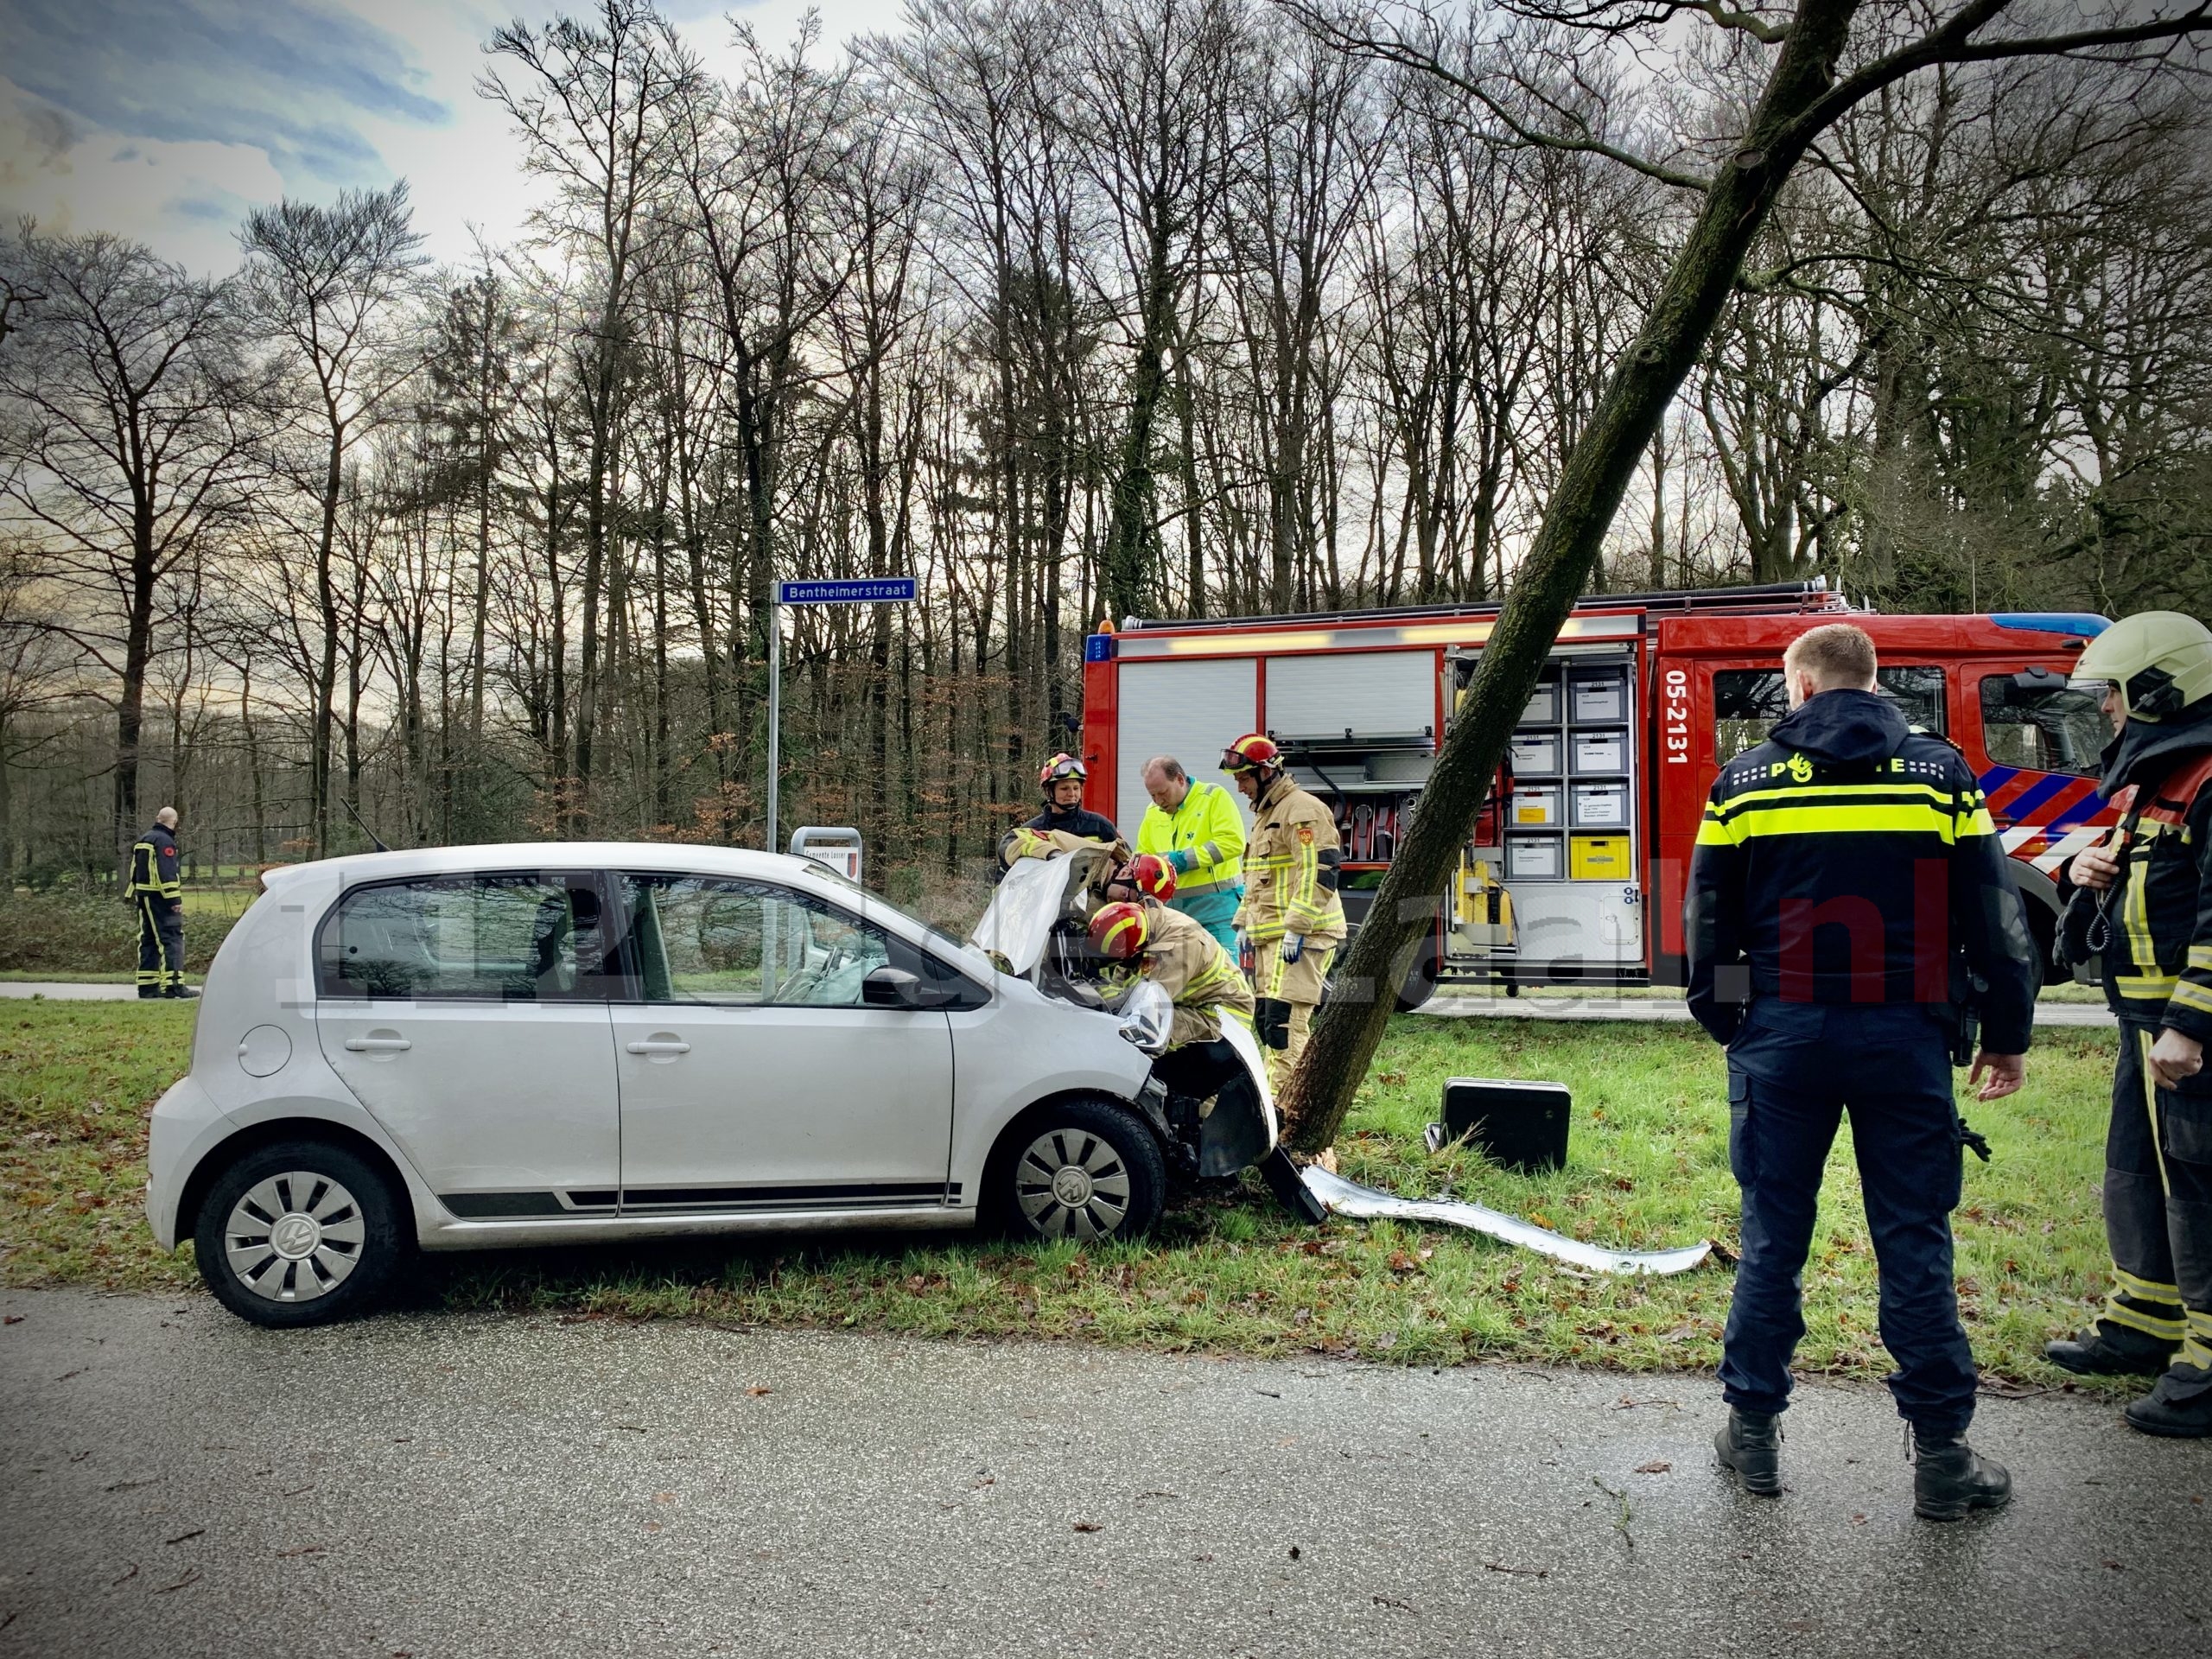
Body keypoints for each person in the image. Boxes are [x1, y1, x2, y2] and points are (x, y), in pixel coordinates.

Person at [1685, 622, 2037, 1520]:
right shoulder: (1944, 777)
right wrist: (2005, 1031)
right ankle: (1944, 1461)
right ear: (1875, 683)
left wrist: (1730, 1015)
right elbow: (1993, 913)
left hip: (1785, 1039)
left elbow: (1711, 922)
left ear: (1798, 688)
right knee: (1913, 1238)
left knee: (1773, 1236)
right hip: (1905, 1037)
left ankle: (1753, 1437)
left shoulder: (1746, 781)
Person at [2043, 611, 2212, 1439]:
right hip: (2143, 1022)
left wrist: (2192, 1024)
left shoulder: (2209, 776)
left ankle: (2208, 1368)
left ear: (2157, 688)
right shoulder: (2156, 779)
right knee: (2140, 1177)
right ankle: (2146, 1320)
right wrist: (2085, 871)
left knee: (2202, 1189)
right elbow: (2138, 891)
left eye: (2110, 695)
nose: (2105, 712)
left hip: (2189, 1037)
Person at [1222, 734, 1345, 1106]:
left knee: (1285, 1026)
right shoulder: (1267, 814)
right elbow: (1257, 876)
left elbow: (1319, 871)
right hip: (1271, 936)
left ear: (1264, 772)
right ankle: (1273, 1105)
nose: (1240, 787)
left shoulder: (1301, 810)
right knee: (1266, 1023)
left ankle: (1286, 1110)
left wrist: (1297, 927)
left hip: (1302, 938)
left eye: (1244, 778)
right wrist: (1244, 921)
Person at [1134, 754, 1246, 950]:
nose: (1159, 801)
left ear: (1179, 779)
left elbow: (1233, 842)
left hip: (1219, 911)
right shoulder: (1152, 812)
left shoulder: (1213, 797)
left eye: (1163, 793)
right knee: (1184, 976)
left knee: (1226, 974)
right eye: (1153, 795)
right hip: (1174, 917)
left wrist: (1182, 860)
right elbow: (1143, 855)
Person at [130, 806, 197, 1000]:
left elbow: (134, 870)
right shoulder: (165, 842)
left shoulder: (144, 839)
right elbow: (166, 872)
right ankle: (174, 984)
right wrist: (174, 899)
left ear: (158, 818)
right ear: (174, 822)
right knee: (172, 938)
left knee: (149, 939)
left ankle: (147, 987)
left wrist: (133, 893)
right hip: (160, 898)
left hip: (143, 896)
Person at [1025, 753, 1119, 842]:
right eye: (1064, 788)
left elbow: (1124, 857)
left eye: (1076, 788)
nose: (1072, 794)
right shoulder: (1030, 831)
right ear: (1049, 792)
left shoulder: (1101, 826)